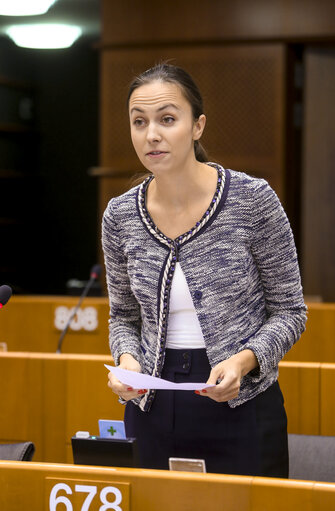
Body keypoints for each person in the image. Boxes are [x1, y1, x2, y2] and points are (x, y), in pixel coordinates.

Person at [102, 63, 307, 476]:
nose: (151, 134)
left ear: (198, 126)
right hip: (153, 404)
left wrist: (244, 362)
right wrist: (127, 361)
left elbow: (290, 312)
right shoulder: (120, 215)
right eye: (138, 122)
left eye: (167, 119)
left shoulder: (252, 201)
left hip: (241, 401)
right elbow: (124, 317)